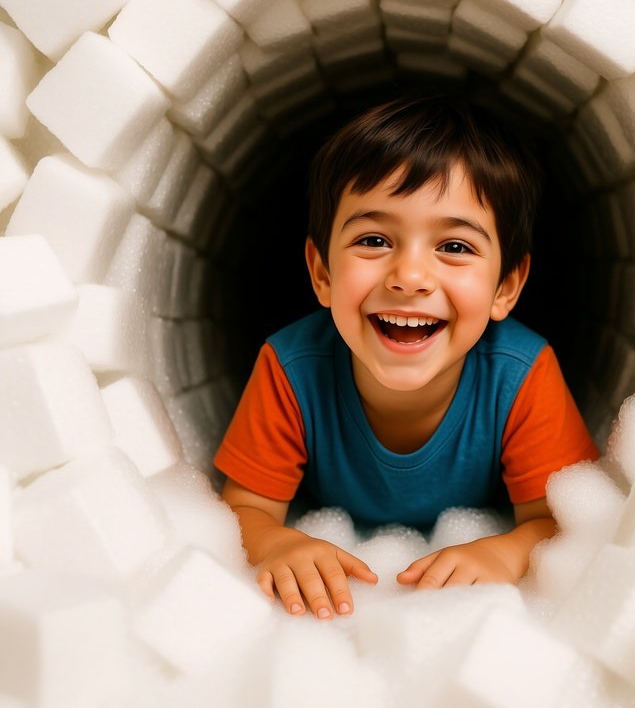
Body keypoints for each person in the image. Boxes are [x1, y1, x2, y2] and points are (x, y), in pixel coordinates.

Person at [213, 94, 599, 621]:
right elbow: (245, 509)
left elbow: (558, 521)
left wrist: (502, 551)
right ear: (322, 273)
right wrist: (278, 545)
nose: (410, 276)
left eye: (455, 247)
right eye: (374, 239)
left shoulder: (521, 372)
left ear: (505, 287)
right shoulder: (291, 366)